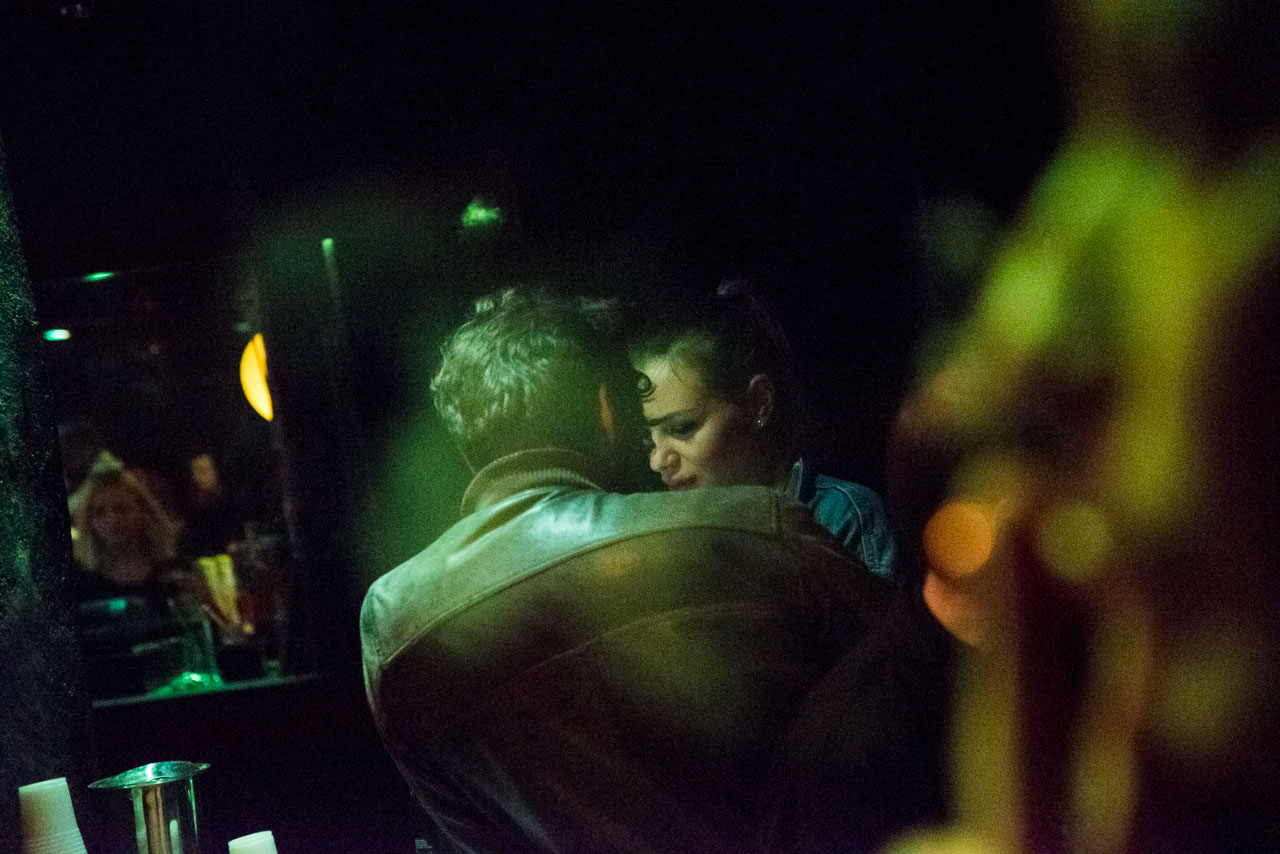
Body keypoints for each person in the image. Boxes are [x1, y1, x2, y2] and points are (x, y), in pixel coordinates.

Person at [360, 288, 890, 854]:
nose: (660, 456)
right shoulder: (756, 525)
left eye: (683, 426)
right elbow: (909, 701)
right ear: (606, 408)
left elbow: (468, 832)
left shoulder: (390, 620)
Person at [627, 281, 897, 578]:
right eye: (648, 439)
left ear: (759, 402)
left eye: (682, 428)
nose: (657, 461)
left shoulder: (842, 516)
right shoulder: (668, 529)